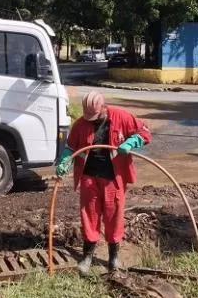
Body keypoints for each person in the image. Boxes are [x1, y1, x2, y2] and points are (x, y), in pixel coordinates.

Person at [53, 91, 151, 274]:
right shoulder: (80, 124)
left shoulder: (122, 117)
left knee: (114, 217)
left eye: (94, 117)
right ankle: (87, 257)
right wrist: (64, 162)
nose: (91, 121)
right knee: (89, 216)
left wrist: (132, 141)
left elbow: (144, 132)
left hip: (113, 178)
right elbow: (70, 147)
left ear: (103, 108)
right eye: (88, 117)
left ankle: (113, 258)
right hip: (89, 177)